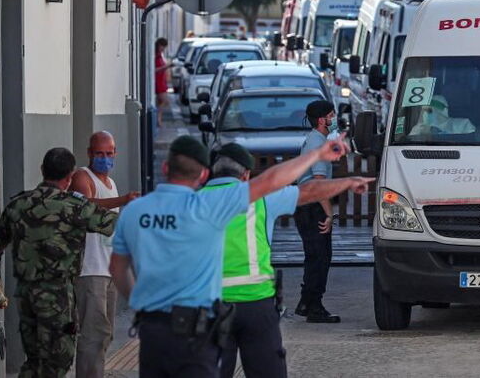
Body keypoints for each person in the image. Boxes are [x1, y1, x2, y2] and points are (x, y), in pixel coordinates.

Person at [109, 135, 369, 378]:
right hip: (238, 309)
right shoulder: (216, 205)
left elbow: (119, 267)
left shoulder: (149, 209)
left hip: (178, 321)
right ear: (243, 174)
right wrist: (329, 166)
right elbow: (291, 186)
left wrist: (141, 304)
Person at [205, 142, 358, 377]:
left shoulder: (190, 202)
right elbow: (309, 192)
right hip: (256, 304)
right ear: (246, 174)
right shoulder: (261, 198)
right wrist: (348, 182)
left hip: (207, 307)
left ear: (210, 173)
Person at [0, 148, 118, 378]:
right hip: (59, 299)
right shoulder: (76, 207)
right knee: (57, 363)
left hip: (27, 297)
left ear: (42, 170)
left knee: (34, 360)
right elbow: (117, 225)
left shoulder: (18, 205)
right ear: (70, 177)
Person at [69, 131, 139, 378]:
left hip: (107, 270)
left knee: (104, 334)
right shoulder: (82, 177)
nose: (105, 158)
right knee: (93, 335)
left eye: (109, 154)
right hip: (90, 270)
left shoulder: (111, 183)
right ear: (89, 153)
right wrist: (123, 200)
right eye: (99, 154)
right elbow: (85, 206)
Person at [293, 101, 341, 323]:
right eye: (332, 115)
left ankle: (306, 302)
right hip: (313, 206)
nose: (334, 119)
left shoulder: (314, 139)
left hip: (305, 204)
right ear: (322, 120)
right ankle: (314, 306)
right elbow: (319, 182)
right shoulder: (319, 144)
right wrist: (329, 214)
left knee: (314, 255)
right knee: (320, 257)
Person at [409, 95, 475, 136]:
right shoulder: (420, 128)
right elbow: (409, 144)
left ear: (445, 109)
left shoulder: (463, 124)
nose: (431, 111)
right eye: (426, 109)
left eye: (435, 107)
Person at [154, 37, 171, 126]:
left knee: (160, 102)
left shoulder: (160, 55)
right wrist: (166, 67)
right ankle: (157, 118)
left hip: (162, 81)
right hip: (158, 82)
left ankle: (158, 120)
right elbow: (154, 70)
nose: (163, 48)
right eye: (162, 46)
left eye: (164, 47)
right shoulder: (156, 56)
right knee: (165, 101)